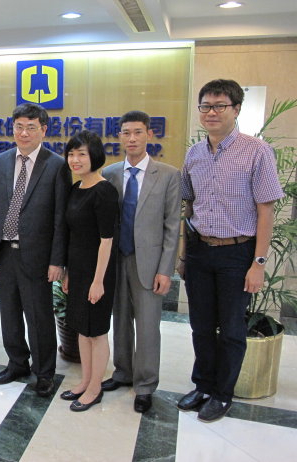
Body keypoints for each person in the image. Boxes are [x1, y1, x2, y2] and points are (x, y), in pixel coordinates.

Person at [177, 79, 283, 422]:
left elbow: (267, 209)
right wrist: (183, 253)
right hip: (199, 252)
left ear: (236, 109)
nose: (211, 112)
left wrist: (259, 263)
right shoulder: (193, 154)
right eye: (205, 106)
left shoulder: (256, 151)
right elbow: (187, 205)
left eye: (219, 105)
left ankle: (223, 394)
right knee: (201, 326)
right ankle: (203, 385)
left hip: (238, 254)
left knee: (233, 329)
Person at [101, 111, 181, 413]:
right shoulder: (110, 174)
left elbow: (173, 226)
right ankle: (122, 372)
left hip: (148, 262)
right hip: (117, 260)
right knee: (120, 320)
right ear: (120, 136)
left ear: (149, 134)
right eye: (125, 133)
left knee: (148, 326)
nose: (131, 138)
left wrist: (166, 270)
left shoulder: (168, 175)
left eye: (137, 132)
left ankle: (145, 384)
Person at [0, 103, 67, 397]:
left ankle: (44, 371)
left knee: (39, 317)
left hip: (37, 255)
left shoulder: (56, 164)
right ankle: (16, 363)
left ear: (43, 130)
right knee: (8, 313)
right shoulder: (3, 160)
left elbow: (60, 217)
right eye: (19, 126)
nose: (24, 133)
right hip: (6, 252)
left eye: (31, 127)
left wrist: (57, 259)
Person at [58, 131, 118, 412]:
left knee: (97, 332)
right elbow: (73, 237)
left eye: (81, 154)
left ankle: (96, 387)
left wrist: (98, 281)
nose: (75, 159)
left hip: (98, 273)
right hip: (78, 270)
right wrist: (69, 272)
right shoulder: (75, 188)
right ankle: (84, 381)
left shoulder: (104, 190)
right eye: (71, 154)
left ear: (94, 155)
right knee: (82, 328)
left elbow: (107, 240)